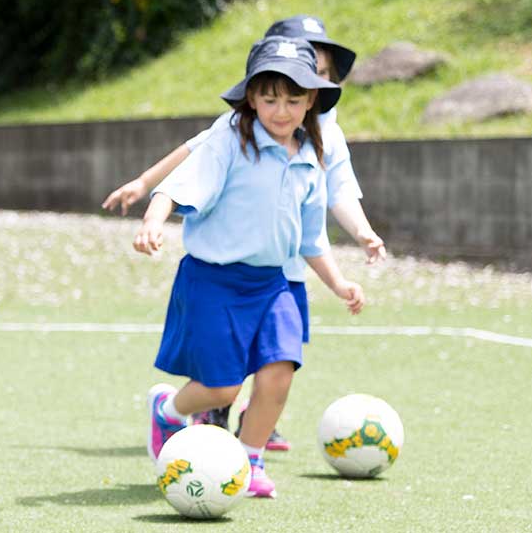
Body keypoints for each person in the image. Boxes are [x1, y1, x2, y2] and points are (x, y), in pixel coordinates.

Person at [136, 36, 367, 499]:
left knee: (280, 369)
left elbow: (309, 238)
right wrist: (152, 221)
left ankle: (250, 458)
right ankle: (168, 409)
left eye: (293, 99)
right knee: (221, 389)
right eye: (269, 98)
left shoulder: (308, 156)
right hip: (214, 281)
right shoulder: (229, 140)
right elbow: (178, 184)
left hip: (272, 285)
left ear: (311, 101)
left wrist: (339, 282)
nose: (280, 110)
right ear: (252, 98)